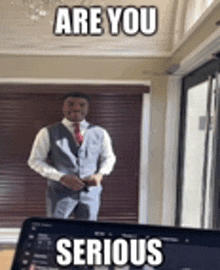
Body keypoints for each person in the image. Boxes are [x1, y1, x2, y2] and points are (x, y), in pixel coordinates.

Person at [27, 92, 116, 221]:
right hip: (59, 193)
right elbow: (35, 161)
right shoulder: (47, 132)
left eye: (82, 105)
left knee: (87, 233)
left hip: (90, 193)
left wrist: (100, 174)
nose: (77, 108)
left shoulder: (100, 132)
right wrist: (61, 177)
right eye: (71, 104)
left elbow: (109, 158)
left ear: (88, 108)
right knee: (56, 231)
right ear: (63, 107)